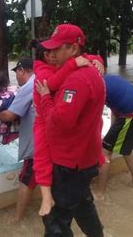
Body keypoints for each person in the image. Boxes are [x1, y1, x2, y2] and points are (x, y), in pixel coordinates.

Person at [35, 24, 105, 237]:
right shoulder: (90, 71)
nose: (52, 54)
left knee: (56, 221)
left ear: (73, 50)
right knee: (83, 207)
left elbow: (59, 123)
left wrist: (46, 98)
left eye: (57, 48)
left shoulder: (75, 80)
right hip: (85, 158)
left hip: (70, 163)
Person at [0, 57, 36, 222]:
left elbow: (10, 115)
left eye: (16, 72)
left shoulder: (28, 87)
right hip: (52, 142)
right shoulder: (43, 80)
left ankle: (17, 218)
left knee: (26, 179)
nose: (16, 77)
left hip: (37, 146)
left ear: (22, 70)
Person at [94, 74, 133, 201]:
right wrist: (110, 134)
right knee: (126, 149)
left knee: (104, 152)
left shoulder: (97, 87)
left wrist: (105, 141)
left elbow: (94, 119)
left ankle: (99, 194)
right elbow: (115, 110)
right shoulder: (107, 80)